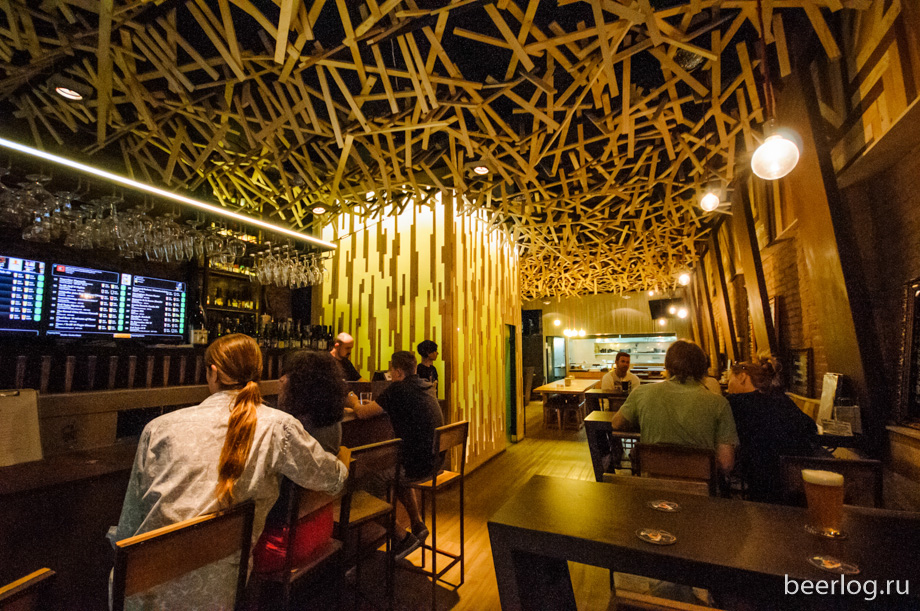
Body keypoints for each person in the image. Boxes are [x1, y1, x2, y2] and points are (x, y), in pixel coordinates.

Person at [109, 334, 349, 609]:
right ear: (258, 374)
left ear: (213, 372)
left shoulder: (158, 428)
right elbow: (335, 479)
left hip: (141, 595)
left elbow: (128, 528)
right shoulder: (279, 427)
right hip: (220, 592)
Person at [252, 350, 349, 574]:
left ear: (302, 385)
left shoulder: (288, 430)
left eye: (286, 375)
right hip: (321, 525)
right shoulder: (332, 423)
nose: (280, 380)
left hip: (284, 542)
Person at [348, 350, 443, 560]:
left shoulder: (397, 389)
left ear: (398, 372)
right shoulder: (426, 386)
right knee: (397, 472)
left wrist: (353, 400)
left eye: (392, 371)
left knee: (364, 487)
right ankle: (417, 525)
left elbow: (362, 413)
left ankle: (402, 537)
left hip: (416, 466)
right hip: (435, 463)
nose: (391, 375)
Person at [612, 340, 738, 474]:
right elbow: (726, 463)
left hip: (652, 484)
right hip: (699, 485)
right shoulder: (719, 403)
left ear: (667, 366)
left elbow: (616, 423)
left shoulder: (641, 393)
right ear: (703, 369)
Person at [727, 359, 819, 503]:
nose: (728, 386)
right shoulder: (782, 399)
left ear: (742, 377)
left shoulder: (736, 402)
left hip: (762, 481)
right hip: (798, 481)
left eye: (729, 379)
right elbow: (811, 427)